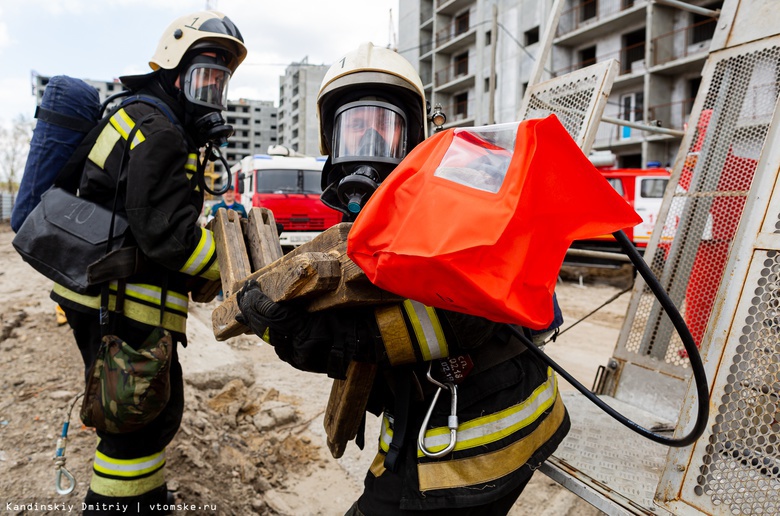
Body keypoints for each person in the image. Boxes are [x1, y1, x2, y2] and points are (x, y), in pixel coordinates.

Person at [237, 42, 569, 515]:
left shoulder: (453, 196)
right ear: (331, 143)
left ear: (414, 136)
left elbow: (449, 321)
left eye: (384, 130)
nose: (367, 152)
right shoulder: (389, 219)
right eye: (354, 130)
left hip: (482, 432)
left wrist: (307, 336)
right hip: (438, 414)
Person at [51, 11, 246, 514]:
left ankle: (146, 499)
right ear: (171, 70)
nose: (211, 96)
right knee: (133, 427)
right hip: (120, 301)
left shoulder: (142, 115)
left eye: (219, 85)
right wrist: (232, 270)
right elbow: (167, 237)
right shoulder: (159, 130)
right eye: (203, 79)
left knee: (145, 418)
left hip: (106, 292)